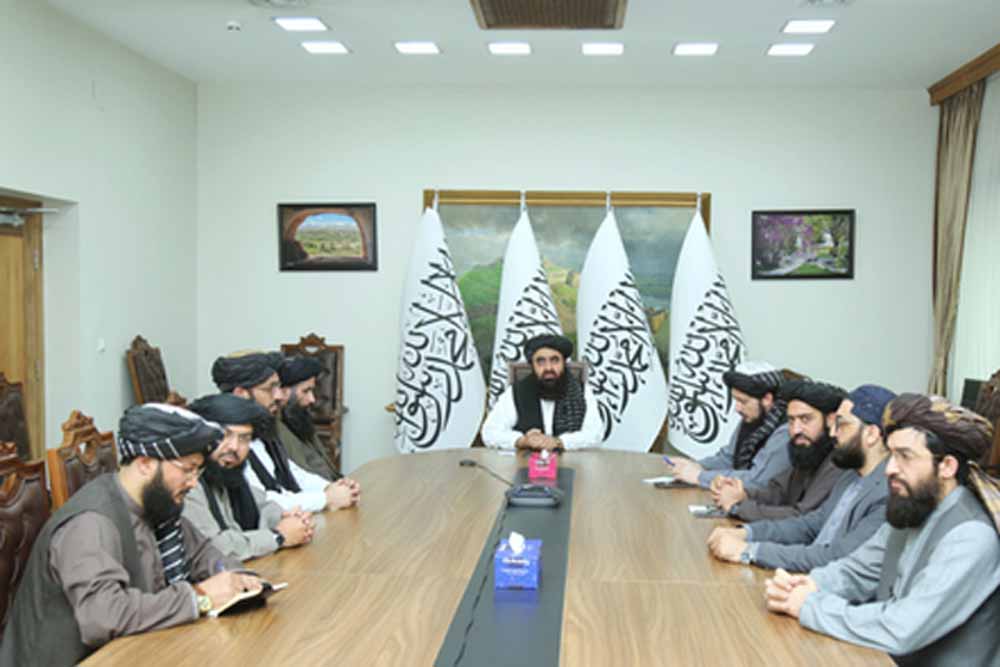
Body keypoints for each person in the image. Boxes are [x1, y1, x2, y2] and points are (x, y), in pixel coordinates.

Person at [1, 404, 261, 666]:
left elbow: (204, 555)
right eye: (187, 469)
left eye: (198, 471)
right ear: (145, 463)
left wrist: (238, 579)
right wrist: (199, 598)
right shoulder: (91, 523)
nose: (194, 482)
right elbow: (104, 616)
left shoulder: (157, 502)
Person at [765, 394, 1000, 665]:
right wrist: (810, 584)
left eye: (905, 456)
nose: (890, 469)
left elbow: (901, 628)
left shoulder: (971, 535)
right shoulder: (915, 505)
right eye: (891, 454)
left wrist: (809, 606)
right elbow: (859, 570)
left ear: (947, 466)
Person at [708, 384, 894, 573]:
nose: (833, 433)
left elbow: (836, 557)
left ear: (871, 434)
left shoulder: (888, 494)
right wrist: (747, 533)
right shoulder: (850, 475)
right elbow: (809, 525)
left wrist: (749, 551)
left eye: (842, 424)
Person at [211, 350, 357, 513]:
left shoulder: (262, 429)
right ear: (241, 394)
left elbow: (294, 473)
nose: (280, 396)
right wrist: (326, 498)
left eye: (279, 387)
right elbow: (262, 501)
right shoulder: (225, 442)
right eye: (270, 389)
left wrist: (331, 487)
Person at [184, 393, 315, 560]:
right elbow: (214, 547)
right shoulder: (188, 483)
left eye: (244, 438)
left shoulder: (226, 473)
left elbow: (262, 505)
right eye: (225, 435)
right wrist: (278, 536)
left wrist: (287, 519)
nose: (234, 447)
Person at [712, 379, 849, 521]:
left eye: (805, 419)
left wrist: (738, 507)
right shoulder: (808, 450)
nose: (795, 430)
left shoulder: (839, 461)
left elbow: (802, 517)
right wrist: (742, 494)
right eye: (791, 420)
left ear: (831, 420)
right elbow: (777, 492)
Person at [665, 361, 790, 489]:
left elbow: (757, 479)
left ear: (767, 399)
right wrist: (696, 466)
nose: (737, 408)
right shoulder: (754, 416)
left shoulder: (786, 430)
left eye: (743, 401)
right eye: (736, 400)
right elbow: (728, 458)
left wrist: (699, 476)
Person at [481, 334, 603, 450]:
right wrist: (523, 440)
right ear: (532, 365)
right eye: (541, 361)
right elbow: (490, 432)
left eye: (555, 360)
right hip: (526, 462)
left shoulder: (582, 391)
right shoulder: (517, 391)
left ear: (564, 363)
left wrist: (559, 442)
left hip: (572, 462)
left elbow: (595, 434)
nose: (548, 368)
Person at [277, 356, 360, 498]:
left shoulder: (298, 419)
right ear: (283, 392)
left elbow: (323, 466)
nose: (312, 399)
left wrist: (341, 482)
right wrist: (332, 489)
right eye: (305, 391)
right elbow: (300, 479)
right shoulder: (277, 430)